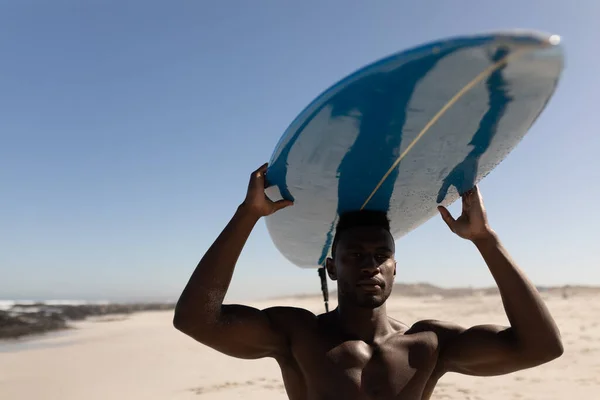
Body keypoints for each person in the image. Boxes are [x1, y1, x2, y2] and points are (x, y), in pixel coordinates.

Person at [173, 163, 563, 400]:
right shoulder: (298, 334)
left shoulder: (429, 344)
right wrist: (248, 215)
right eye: (355, 255)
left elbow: (541, 347)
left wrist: (486, 240)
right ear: (331, 267)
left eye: (381, 256)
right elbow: (195, 320)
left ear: (395, 268)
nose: (370, 265)